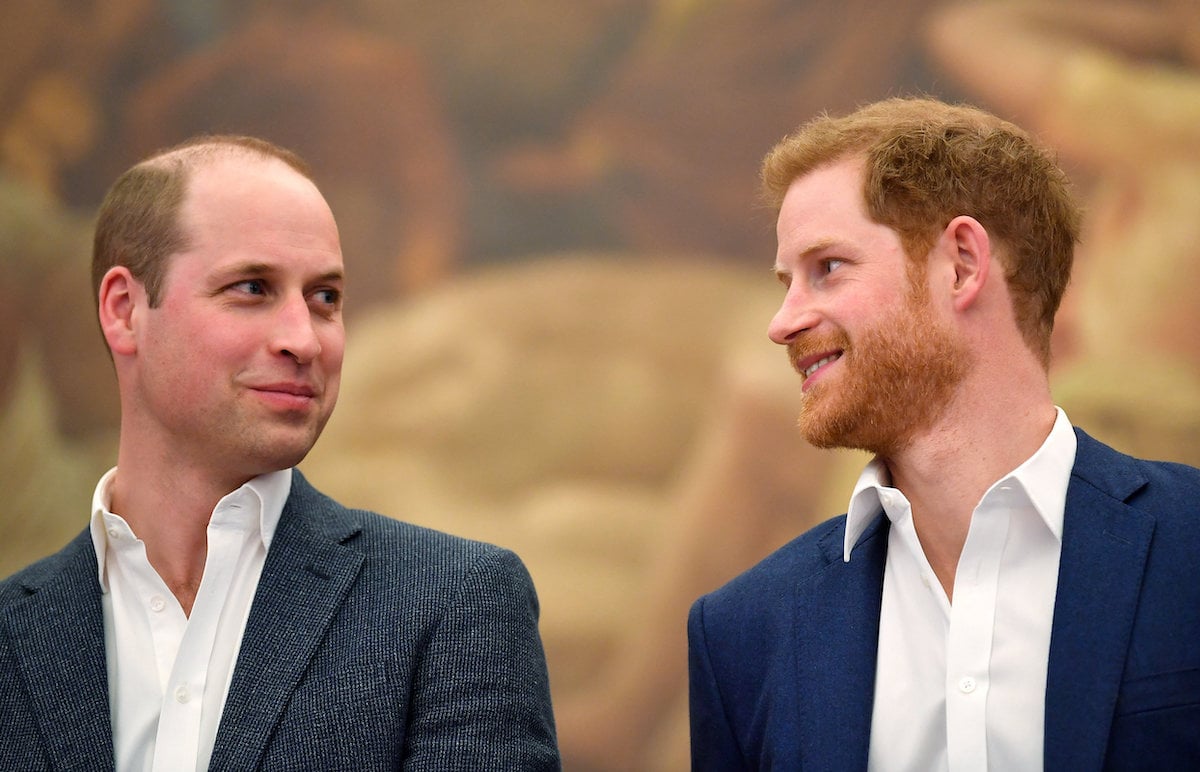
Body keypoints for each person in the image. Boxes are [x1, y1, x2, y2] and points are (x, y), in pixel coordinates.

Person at [0, 135, 559, 770]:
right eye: (252, 288)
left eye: (325, 299)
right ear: (126, 311)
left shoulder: (454, 606)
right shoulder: (12, 636)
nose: (305, 339)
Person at [687, 97, 1200, 770]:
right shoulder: (742, 632)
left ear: (960, 264)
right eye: (787, 283)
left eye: (827, 268)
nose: (782, 323)